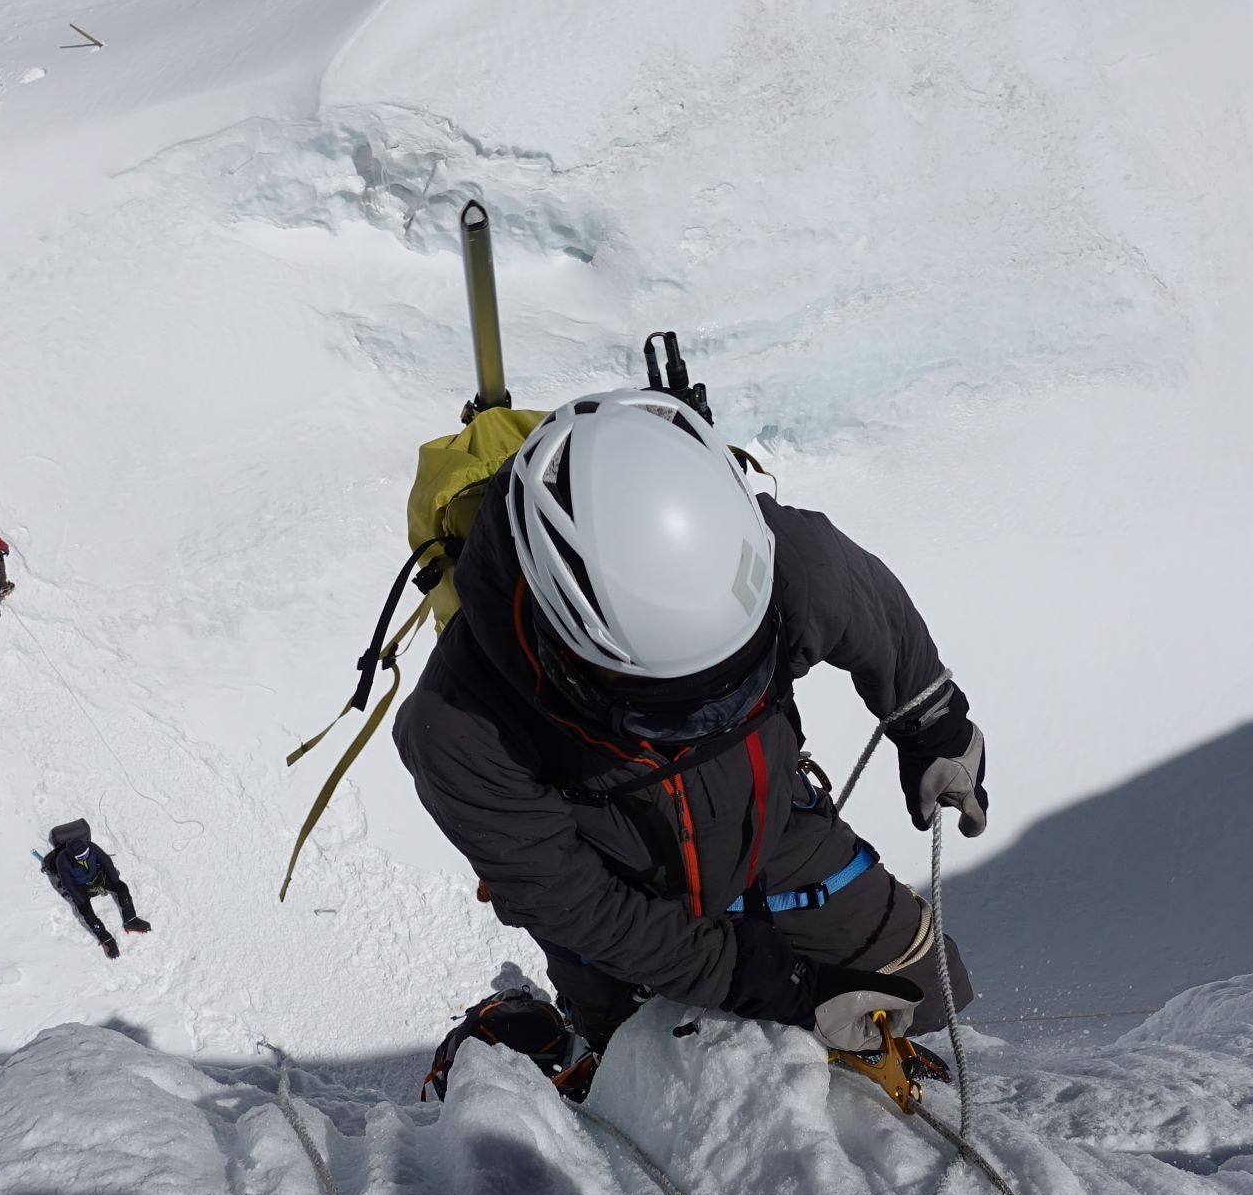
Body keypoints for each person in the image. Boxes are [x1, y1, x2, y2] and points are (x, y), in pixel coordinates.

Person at [394, 389, 988, 1097]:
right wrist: (778, 987)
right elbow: (583, 908)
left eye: (735, 688)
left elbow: (868, 608)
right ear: (569, 657)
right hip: (624, 901)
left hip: (771, 831)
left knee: (926, 988)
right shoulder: (458, 727)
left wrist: (932, 724)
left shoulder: (781, 560)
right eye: (670, 710)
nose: (708, 721)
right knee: (652, 1079)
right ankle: (577, 1040)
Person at [42, 819, 151, 958]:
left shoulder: (90, 847)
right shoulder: (63, 861)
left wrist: (115, 882)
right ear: (73, 857)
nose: (86, 856)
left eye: (87, 853)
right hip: (79, 886)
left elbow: (106, 861)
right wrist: (82, 901)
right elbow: (69, 884)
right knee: (86, 911)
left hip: (96, 877)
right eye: (81, 857)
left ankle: (130, 920)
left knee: (122, 888)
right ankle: (105, 938)